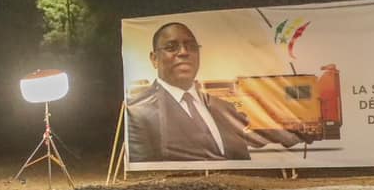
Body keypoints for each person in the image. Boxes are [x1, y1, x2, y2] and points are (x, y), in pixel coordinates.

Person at [126, 22, 296, 161]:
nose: (184, 52)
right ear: (154, 58)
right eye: (172, 47)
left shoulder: (224, 109)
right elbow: (145, 173)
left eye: (191, 46)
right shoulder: (139, 112)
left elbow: (241, 161)